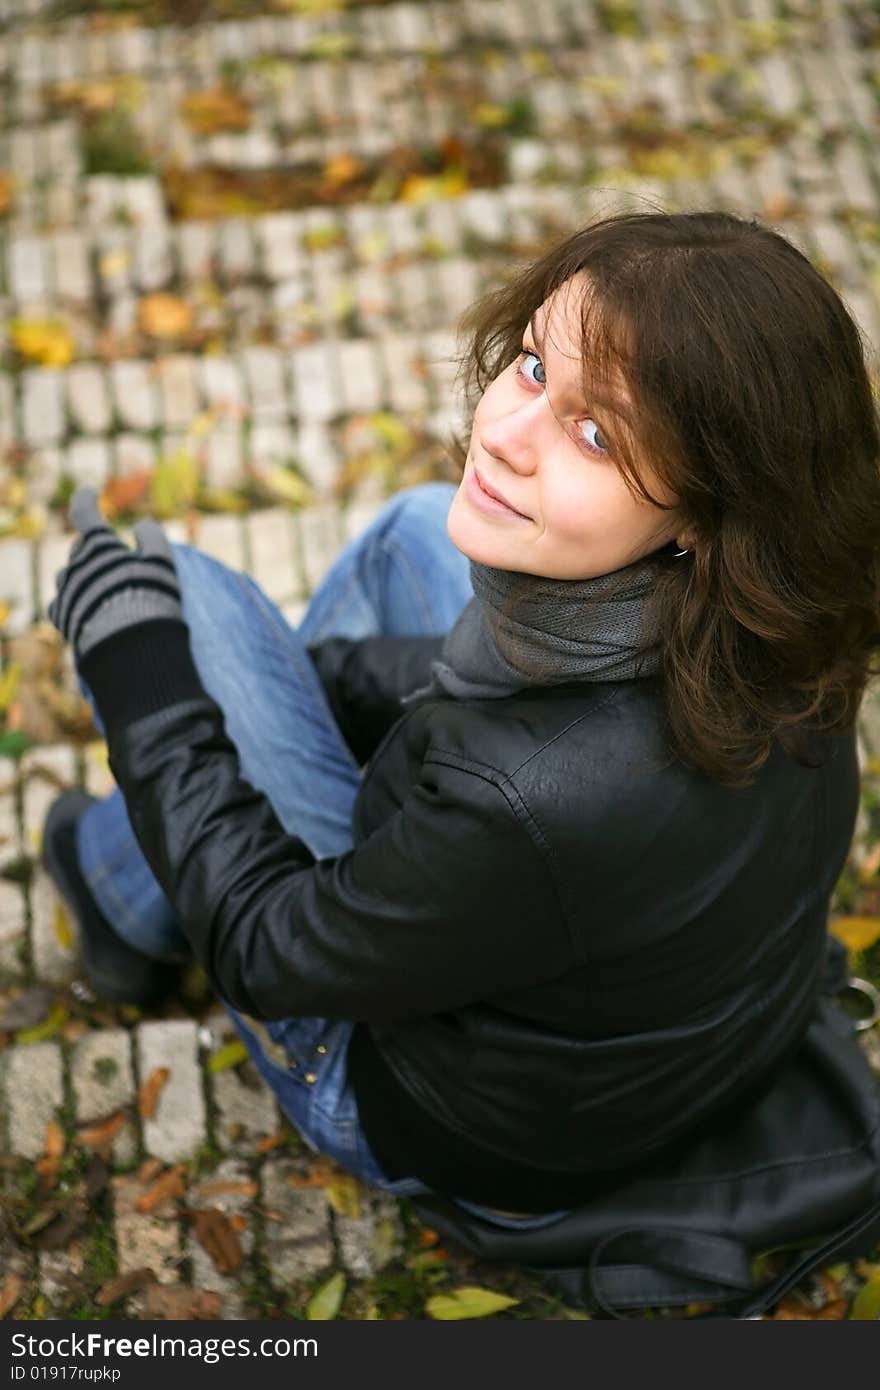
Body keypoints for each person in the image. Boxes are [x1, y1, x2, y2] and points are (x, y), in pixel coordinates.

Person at [42, 208, 878, 1226]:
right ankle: (136, 883)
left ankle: (125, 892)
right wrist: (301, 693)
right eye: (532, 366)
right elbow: (486, 705)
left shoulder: (525, 803)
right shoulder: (786, 614)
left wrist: (145, 677)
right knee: (408, 536)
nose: (503, 433)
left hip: (447, 1111)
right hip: (663, 1027)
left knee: (177, 598)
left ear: (705, 514)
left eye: (594, 431)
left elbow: (269, 949)